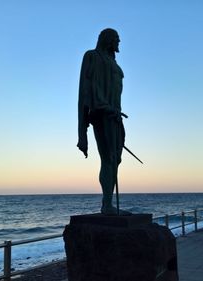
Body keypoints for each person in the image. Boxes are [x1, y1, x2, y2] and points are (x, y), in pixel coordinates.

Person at [77, 28, 129, 215]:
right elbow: (84, 91)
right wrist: (81, 133)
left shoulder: (112, 62)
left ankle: (109, 204)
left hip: (115, 116)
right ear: (108, 39)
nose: (118, 43)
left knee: (116, 159)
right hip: (102, 113)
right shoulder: (92, 56)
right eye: (116, 39)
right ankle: (106, 204)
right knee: (108, 159)